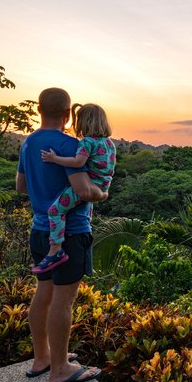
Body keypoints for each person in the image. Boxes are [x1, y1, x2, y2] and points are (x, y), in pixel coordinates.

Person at [16, 88, 105, 382]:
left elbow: (21, 186)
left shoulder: (28, 143)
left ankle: (42, 358)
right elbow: (83, 191)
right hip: (70, 233)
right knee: (63, 301)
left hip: (41, 231)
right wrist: (101, 192)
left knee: (43, 293)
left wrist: (45, 191)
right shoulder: (70, 145)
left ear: (39, 110)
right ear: (68, 115)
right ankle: (59, 369)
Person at [33, 103, 116, 273]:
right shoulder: (109, 143)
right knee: (85, 205)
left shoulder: (87, 142)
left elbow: (78, 162)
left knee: (55, 211)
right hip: (103, 185)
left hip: (88, 186)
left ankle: (55, 250)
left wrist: (54, 159)